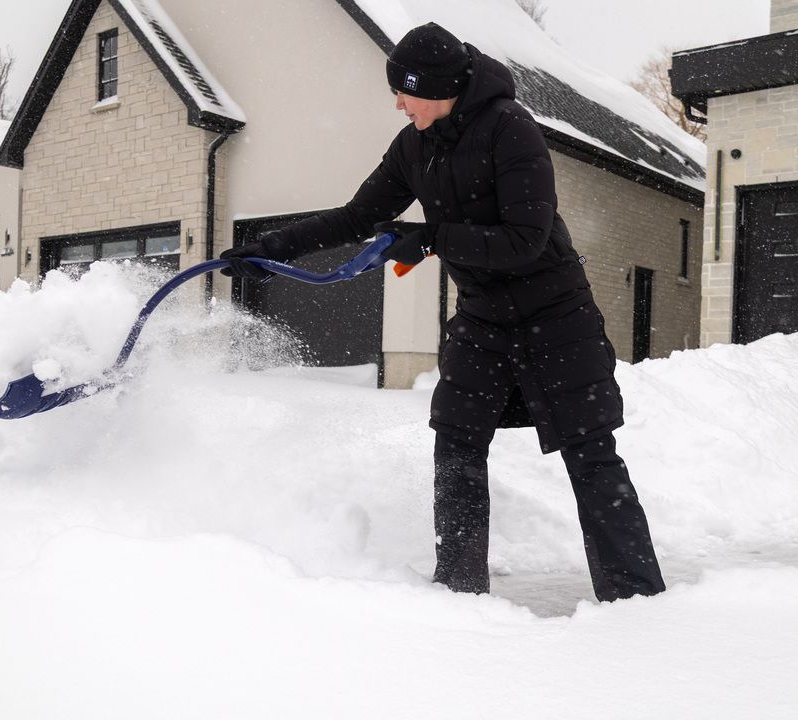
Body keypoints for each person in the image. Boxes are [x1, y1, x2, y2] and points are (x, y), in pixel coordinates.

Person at [221, 23, 665, 602]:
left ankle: (636, 599)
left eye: (403, 92)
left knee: (590, 453)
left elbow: (525, 240)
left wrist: (432, 238)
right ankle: (458, 593)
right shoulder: (415, 146)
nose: (398, 105)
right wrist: (273, 248)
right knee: (456, 443)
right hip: (482, 319)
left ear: (433, 87)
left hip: (556, 315)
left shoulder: (511, 129)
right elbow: (357, 216)